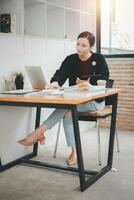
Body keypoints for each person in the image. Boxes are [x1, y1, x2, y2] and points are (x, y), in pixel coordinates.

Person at [18, 31, 109, 166]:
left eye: (83, 45)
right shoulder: (71, 59)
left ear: (91, 47)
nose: (79, 48)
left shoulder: (99, 59)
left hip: (94, 102)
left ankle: (39, 132)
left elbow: (105, 80)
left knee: (68, 108)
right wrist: (55, 82)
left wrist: (89, 84)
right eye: (78, 44)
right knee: (68, 111)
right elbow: (60, 74)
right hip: (75, 100)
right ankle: (74, 150)